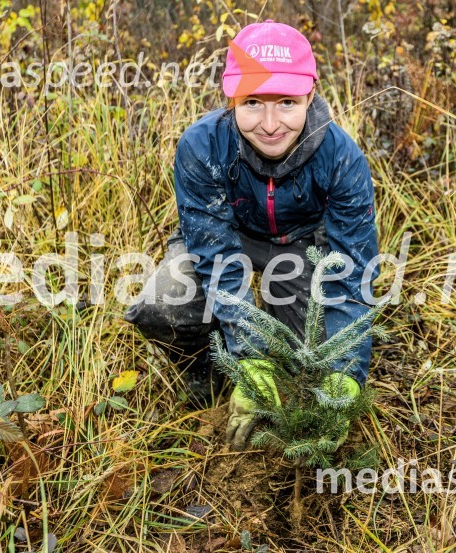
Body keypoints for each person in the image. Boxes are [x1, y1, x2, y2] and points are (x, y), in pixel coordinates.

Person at [124, 19, 379, 450]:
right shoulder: (202, 146)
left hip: (299, 247)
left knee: (307, 356)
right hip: (229, 237)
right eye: (253, 102)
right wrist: (249, 357)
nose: (270, 123)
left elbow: (352, 270)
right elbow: (216, 255)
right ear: (231, 99)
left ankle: (288, 372)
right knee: (164, 301)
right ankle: (208, 373)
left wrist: (345, 372)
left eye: (286, 102)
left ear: (310, 95)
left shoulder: (342, 158)